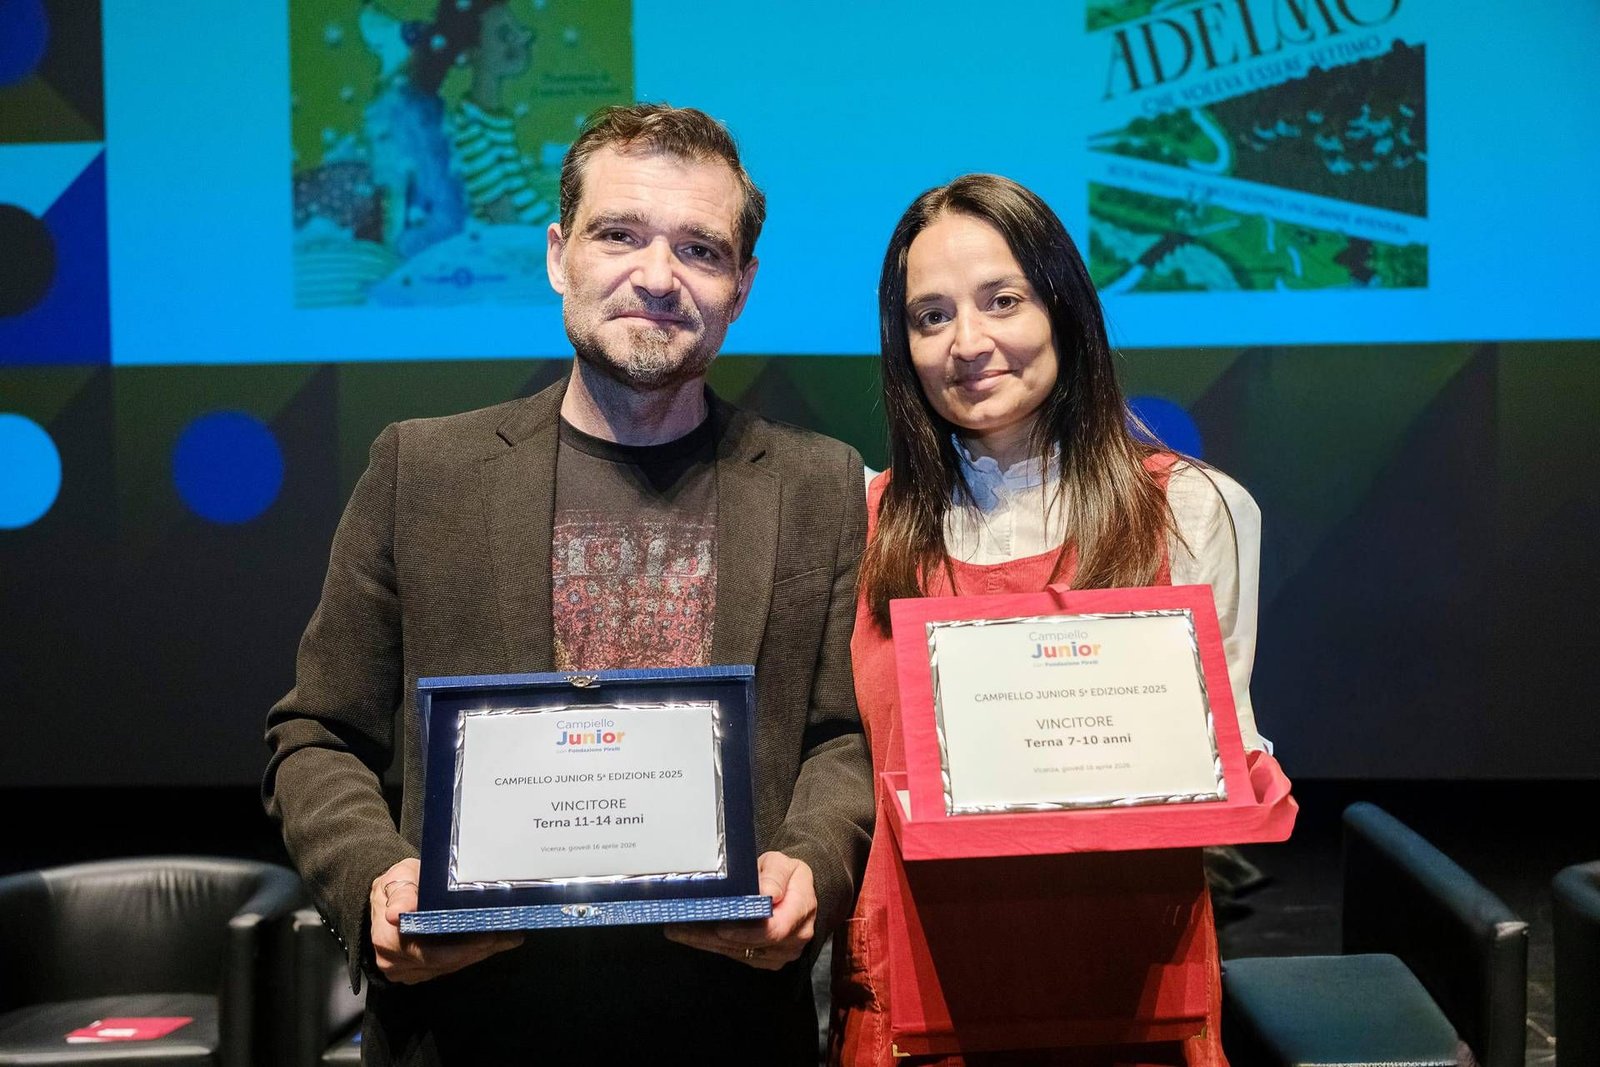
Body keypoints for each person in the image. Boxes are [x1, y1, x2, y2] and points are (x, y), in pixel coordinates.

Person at [265, 103, 873, 1065]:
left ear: (743, 286)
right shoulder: (421, 471)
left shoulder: (820, 482)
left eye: (700, 249)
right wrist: (375, 878)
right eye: (619, 234)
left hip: (729, 1026)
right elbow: (317, 733)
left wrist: (812, 863)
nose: (657, 276)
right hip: (468, 1026)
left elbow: (843, 736)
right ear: (558, 255)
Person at [829, 174, 1268, 1066]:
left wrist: (1243, 775)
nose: (969, 342)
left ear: (1064, 308)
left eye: (1003, 301)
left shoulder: (1196, 508)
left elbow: (1225, 753)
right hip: (916, 1004)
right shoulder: (856, 519)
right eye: (931, 316)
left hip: (1131, 998)